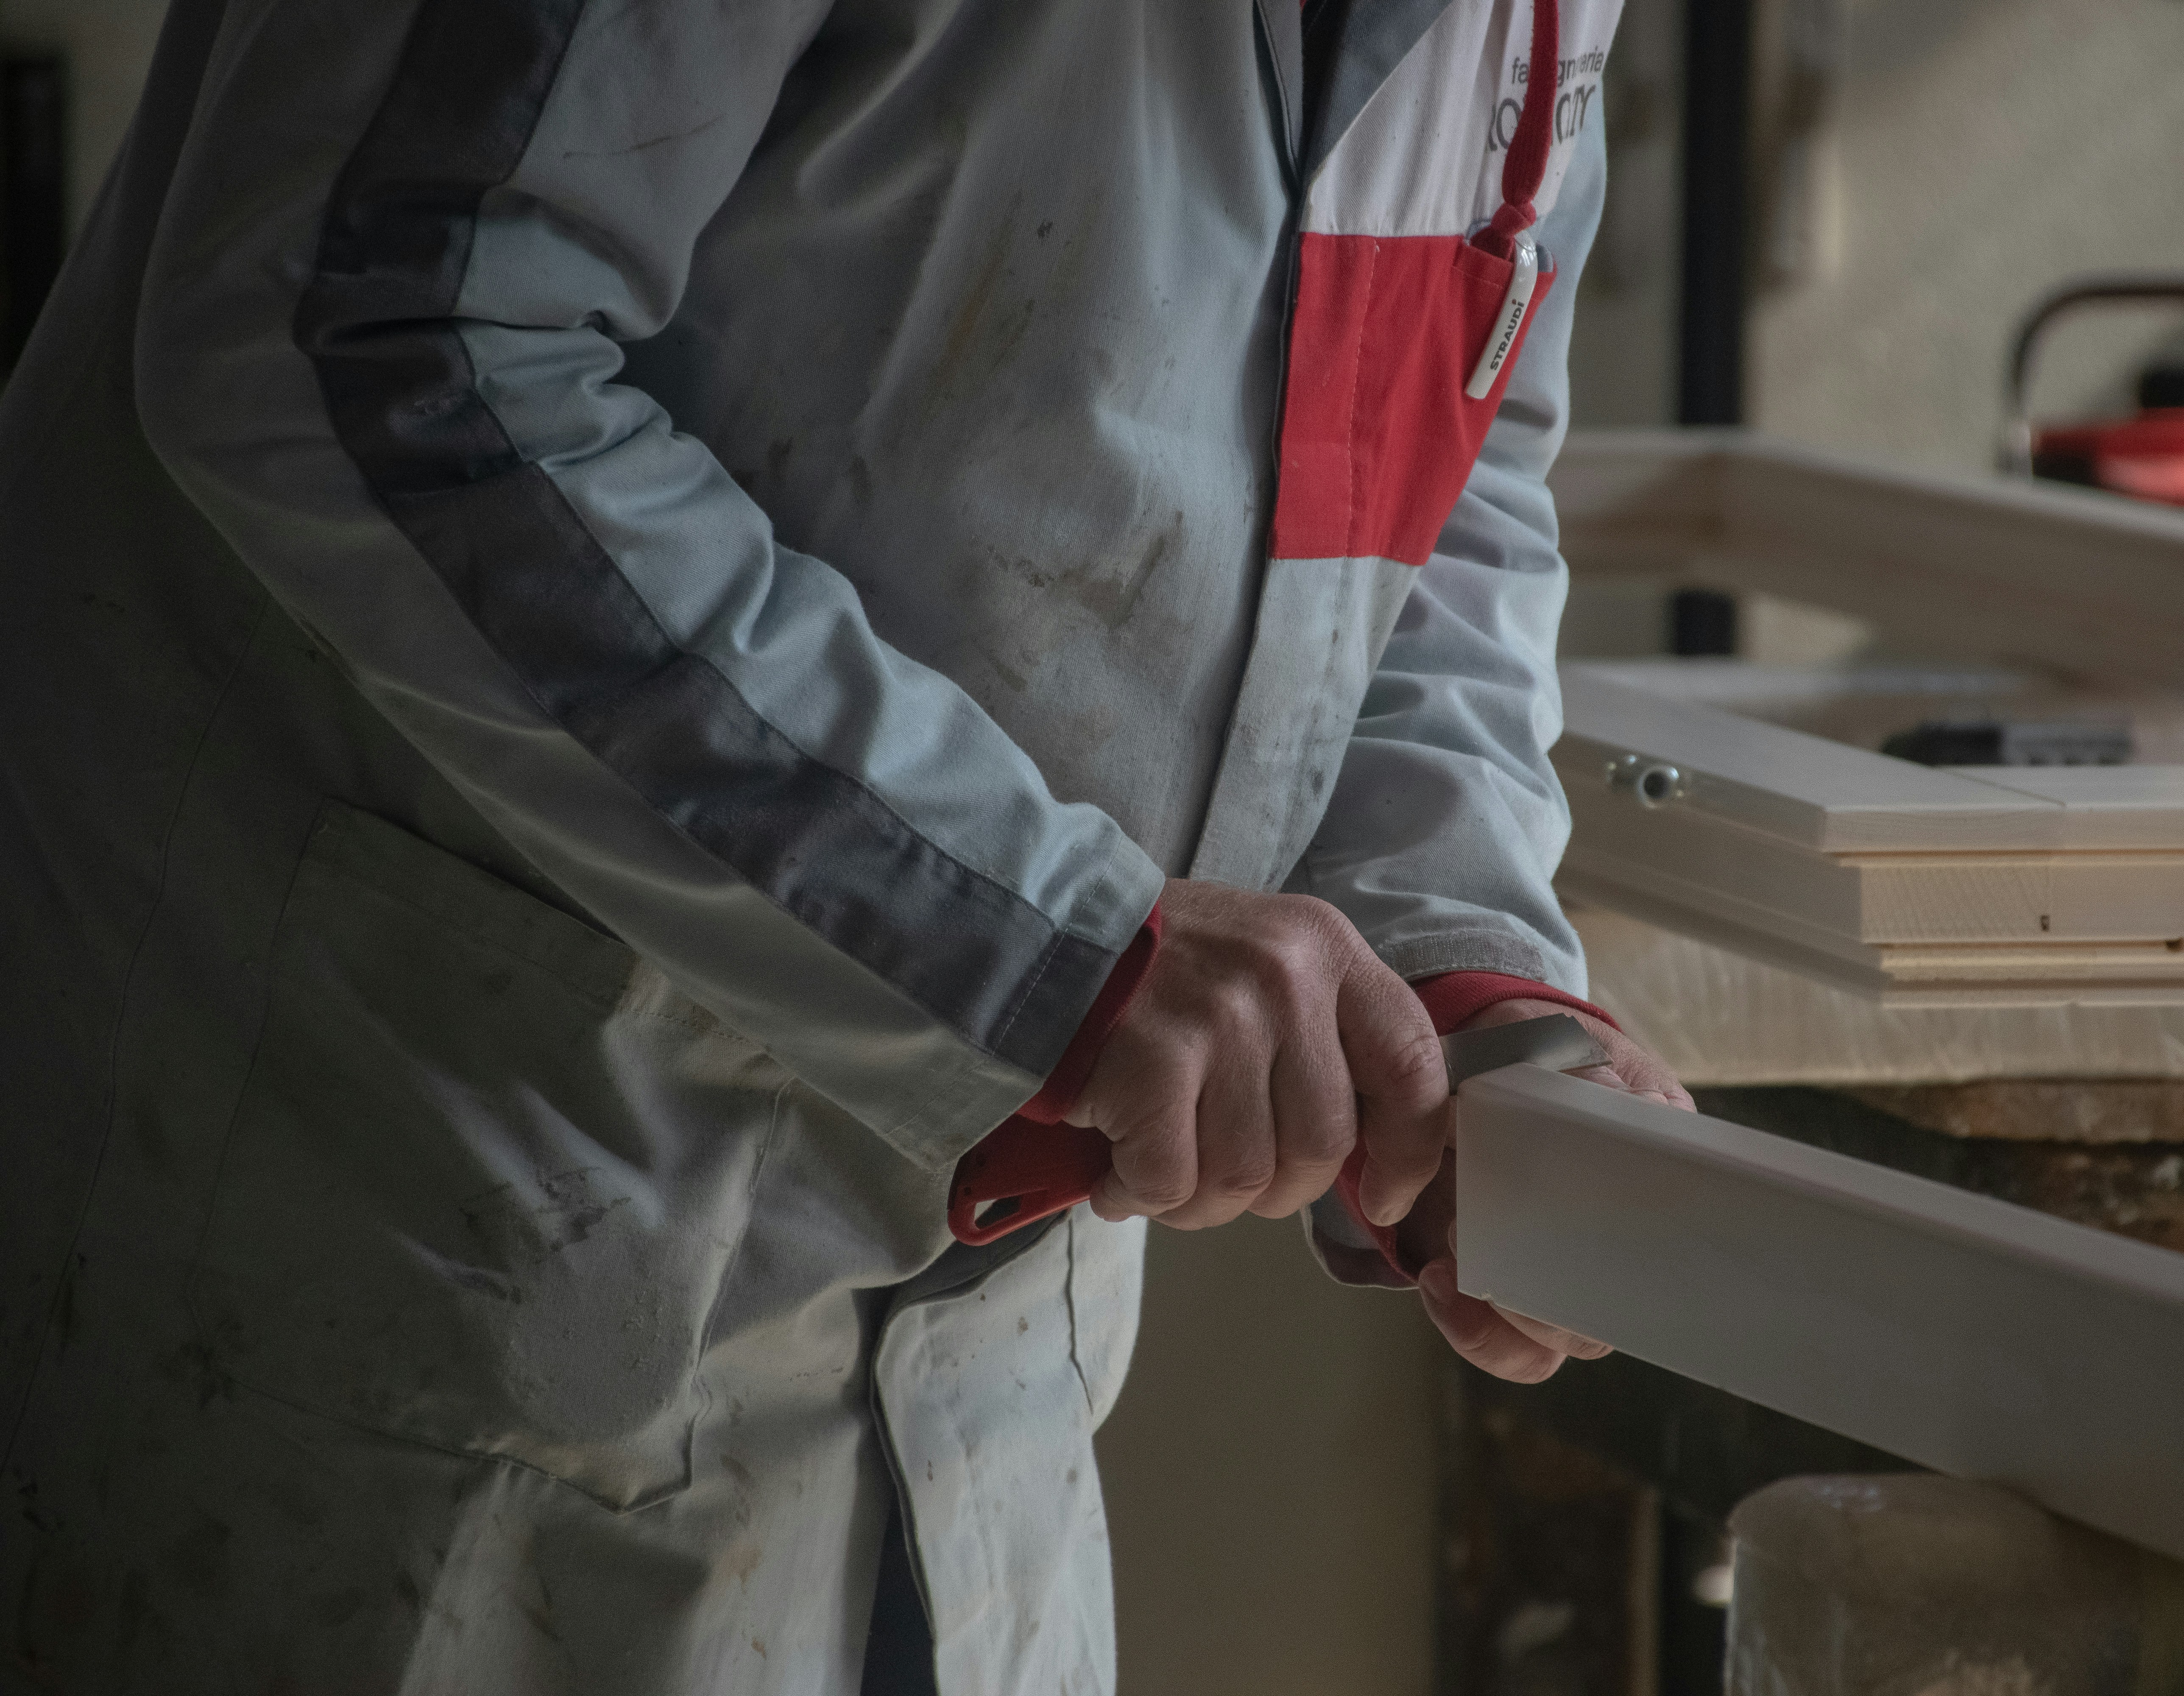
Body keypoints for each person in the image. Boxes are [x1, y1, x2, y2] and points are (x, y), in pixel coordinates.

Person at [0, 0, 1689, 1689]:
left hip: (975, 1362)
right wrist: (1036, 951)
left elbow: (1427, 469)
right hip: (402, 1240)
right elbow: (365, 332)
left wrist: (1460, 961)